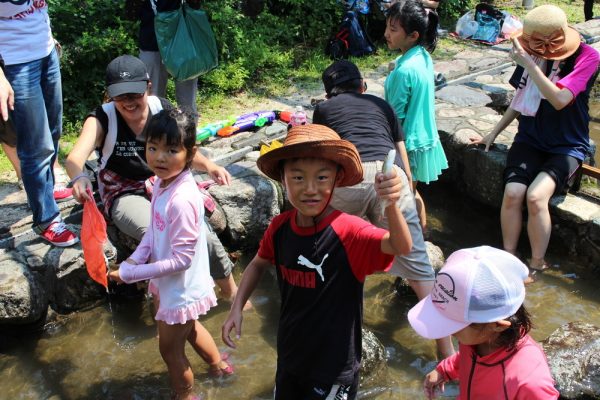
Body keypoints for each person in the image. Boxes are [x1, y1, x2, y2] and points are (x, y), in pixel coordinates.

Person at [222, 124, 413, 400]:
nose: (310, 189)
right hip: (290, 355)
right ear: (283, 180)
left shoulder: (350, 231)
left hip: (334, 368)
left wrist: (391, 204)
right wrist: (236, 307)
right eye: (298, 178)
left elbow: (401, 245)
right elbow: (258, 263)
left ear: (336, 179)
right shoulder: (280, 227)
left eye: (322, 178)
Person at [65, 55, 246, 304]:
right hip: (124, 192)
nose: (128, 102)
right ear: (109, 95)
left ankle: (230, 292)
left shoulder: (161, 108)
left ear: (148, 86)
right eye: (120, 96)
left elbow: (181, 148)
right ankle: (165, 306)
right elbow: (75, 158)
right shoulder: (101, 118)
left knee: (201, 231)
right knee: (159, 234)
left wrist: (210, 166)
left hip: (164, 184)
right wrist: (80, 177)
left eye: (134, 94)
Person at [313, 59, 454, 359]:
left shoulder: (324, 110)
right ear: (363, 87)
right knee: (418, 265)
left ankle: (345, 333)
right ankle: (447, 352)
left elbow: (324, 154)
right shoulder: (383, 106)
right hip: (391, 175)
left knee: (340, 254)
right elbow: (401, 154)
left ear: (328, 95)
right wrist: (411, 191)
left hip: (348, 176)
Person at [108, 108, 233, 400]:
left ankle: (185, 395)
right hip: (175, 284)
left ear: (190, 153)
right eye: (153, 148)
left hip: (182, 286)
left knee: (169, 350)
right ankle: (219, 366)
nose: (159, 157)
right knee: (188, 330)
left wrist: (130, 274)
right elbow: (153, 231)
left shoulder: (182, 199)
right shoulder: (164, 183)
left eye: (171, 150)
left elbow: (182, 259)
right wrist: (135, 259)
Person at [470, 5, 600, 272]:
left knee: (536, 196)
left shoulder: (588, 57)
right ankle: (508, 257)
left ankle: (537, 263)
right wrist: (492, 133)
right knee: (513, 192)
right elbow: (520, 98)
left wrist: (529, 63)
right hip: (530, 138)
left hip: (567, 144)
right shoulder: (531, 53)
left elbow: (560, 99)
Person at [407, 246, 559, 399]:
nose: (447, 331)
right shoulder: (476, 337)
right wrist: (445, 370)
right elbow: (466, 357)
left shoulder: (529, 381)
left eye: (454, 326)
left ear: (498, 325)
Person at [0, 1, 78, 246]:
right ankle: (47, 219)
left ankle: (47, 190)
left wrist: (49, 38)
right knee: (36, 145)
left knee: (54, 131)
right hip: (14, 63)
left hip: (46, 51)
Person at [384, 0, 448, 230]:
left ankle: (412, 243)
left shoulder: (404, 72)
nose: (386, 34)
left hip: (408, 144)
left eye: (393, 30)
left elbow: (395, 118)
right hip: (425, 139)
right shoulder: (422, 56)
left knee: (402, 196)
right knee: (412, 190)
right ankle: (423, 234)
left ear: (412, 35)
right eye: (387, 27)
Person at [136, 0, 200, 112]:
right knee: (152, 101)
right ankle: (156, 129)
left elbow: (195, 5)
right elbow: (130, 14)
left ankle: (188, 129)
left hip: (182, 41)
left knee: (187, 103)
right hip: (151, 43)